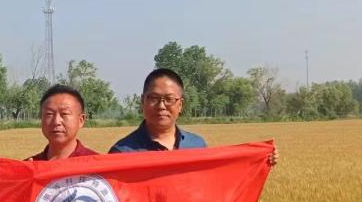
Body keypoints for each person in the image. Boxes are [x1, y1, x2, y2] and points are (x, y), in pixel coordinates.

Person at [110, 68, 279, 165]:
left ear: (180, 105)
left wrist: (260, 160)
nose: (161, 106)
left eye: (169, 99)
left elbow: (216, 182)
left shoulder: (197, 145)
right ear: (142, 101)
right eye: (154, 98)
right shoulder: (122, 153)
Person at [25, 84, 97, 161]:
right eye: (49, 114)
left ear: (81, 120)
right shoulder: (30, 165)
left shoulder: (96, 164)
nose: (56, 121)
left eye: (65, 114)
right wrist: (29, 168)